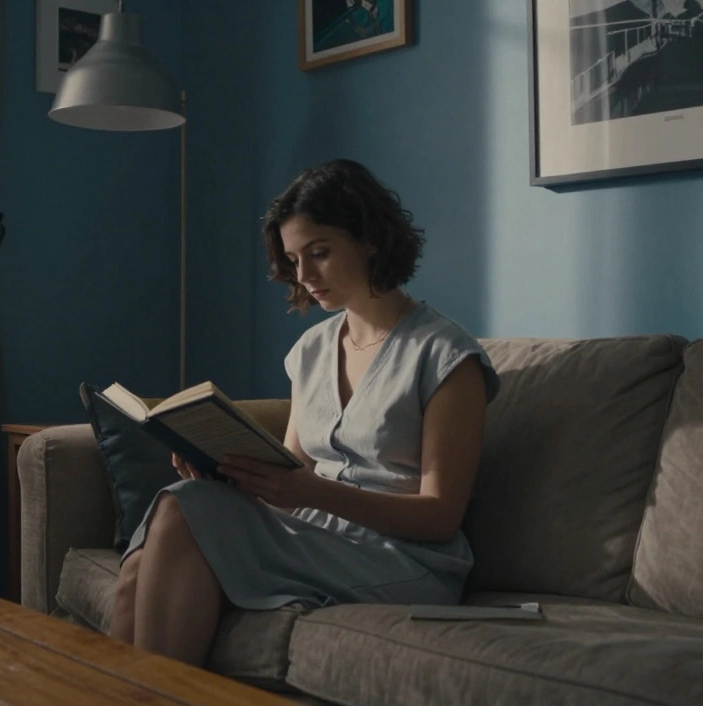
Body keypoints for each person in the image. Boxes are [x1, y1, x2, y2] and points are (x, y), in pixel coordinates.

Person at [108, 159, 500, 666]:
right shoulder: (311, 350)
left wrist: (312, 492)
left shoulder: (445, 357)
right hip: (315, 537)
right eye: (294, 259)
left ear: (371, 240)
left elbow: (441, 517)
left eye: (319, 253)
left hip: (406, 558)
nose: (304, 276)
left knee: (182, 509)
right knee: (137, 569)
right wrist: (227, 474)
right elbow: (290, 477)